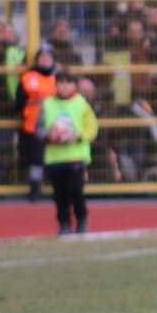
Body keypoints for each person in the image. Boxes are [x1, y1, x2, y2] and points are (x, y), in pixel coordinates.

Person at [38, 69, 99, 236]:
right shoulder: (48, 104)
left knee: (75, 190)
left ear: (74, 85)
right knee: (60, 195)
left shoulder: (81, 103)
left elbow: (92, 128)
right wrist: (49, 137)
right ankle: (64, 223)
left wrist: (78, 137)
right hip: (55, 158)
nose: (64, 87)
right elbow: (39, 128)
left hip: (76, 157)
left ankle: (82, 218)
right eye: (61, 83)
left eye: (68, 83)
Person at [15, 43, 59, 200]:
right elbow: (19, 101)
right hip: (32, 125)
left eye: (48, 57)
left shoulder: (59, 77)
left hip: (56, 125)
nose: (45, 60)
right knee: (36, 158)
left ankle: (56, 187)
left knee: (55, 157)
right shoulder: (28, 77)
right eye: (42, 57)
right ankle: (35, 188)